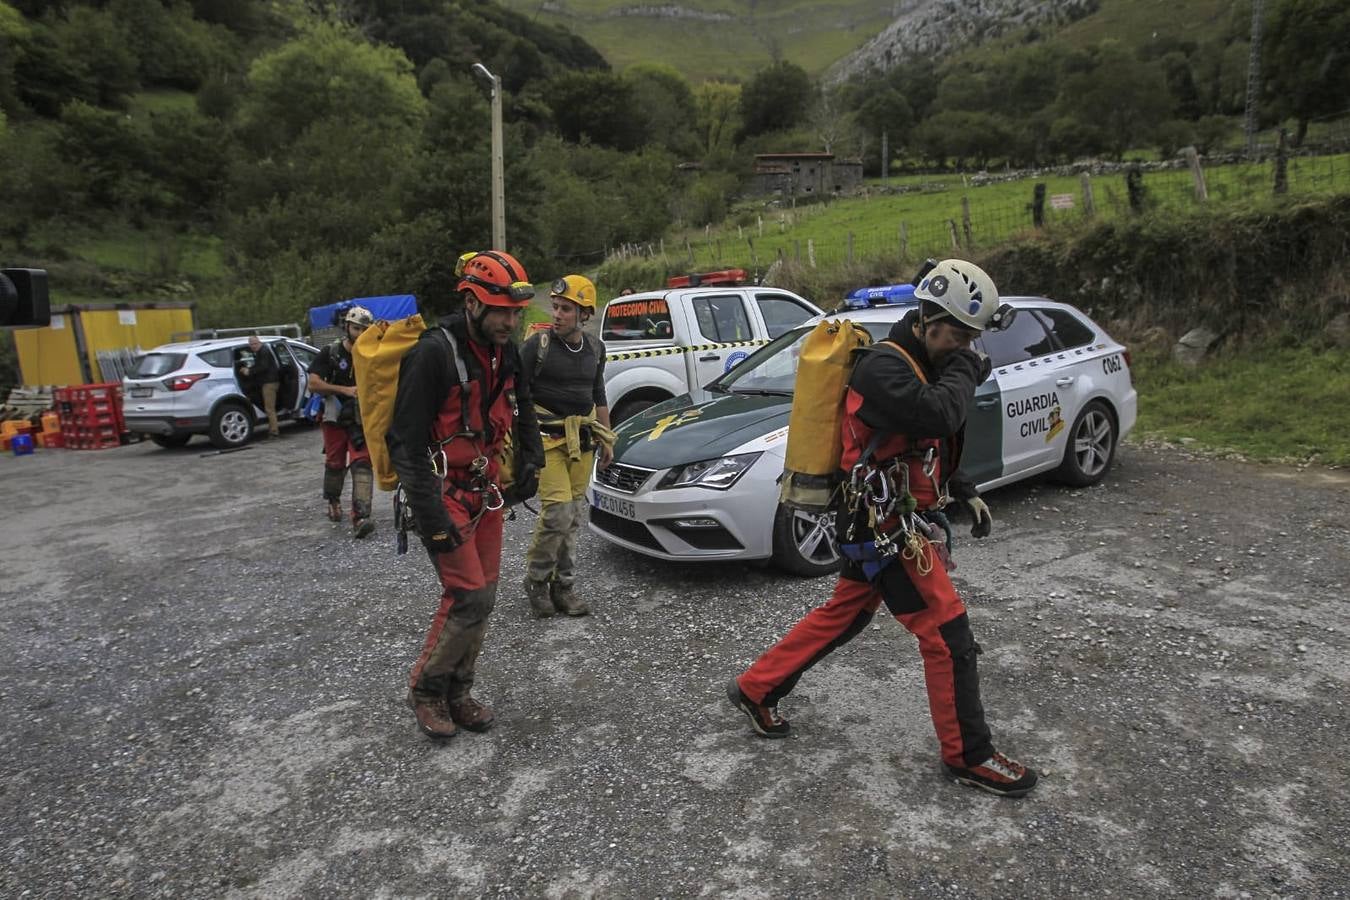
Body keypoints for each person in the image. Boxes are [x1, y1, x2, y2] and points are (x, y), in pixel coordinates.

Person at [726, 259, 1039, 799]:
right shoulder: (881, 370)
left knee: (844, 615)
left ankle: (757, 688)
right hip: (884, 526)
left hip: (879, 518)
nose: (965, 347)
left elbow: (924, 442)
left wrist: (962, 489)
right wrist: (967, 365)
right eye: (960, 336)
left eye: (970, 339)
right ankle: (970, 755)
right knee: (948, 637)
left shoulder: (923, 362)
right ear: (929, 320)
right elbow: (938, 414)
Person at [387, 250, 545, 740]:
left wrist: (531, 459)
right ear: (472, 303)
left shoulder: (506, 351)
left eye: (517, 312)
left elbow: (521, 408)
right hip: (443, 492)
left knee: (486, 597)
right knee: (467, 595)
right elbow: (404, 444)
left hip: (486, 490)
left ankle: (459, 692)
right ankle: (427, 691)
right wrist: (431, 517)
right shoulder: (432, 353)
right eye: (502, 311)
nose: (512, 321)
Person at [519, 275, 615, 618]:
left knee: (573, 516)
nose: (557, 314)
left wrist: (607, 438)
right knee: (557, 512)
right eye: (555, 307)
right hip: (546, 441)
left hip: (583, 443)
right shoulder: (537, 345)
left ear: (584, 313)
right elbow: (516, 393)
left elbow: (598, 393)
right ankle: (536, 580)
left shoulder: (595, 349)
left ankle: (565, 586)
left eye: (566, 309)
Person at [307, 305, 376, 539]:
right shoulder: (330, 353)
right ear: (347, 327)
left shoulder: (373, 354)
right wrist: (344, 390)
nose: (360, 334)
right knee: (335, 462)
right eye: (357, 328)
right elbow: (313, 383)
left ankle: (361, 517)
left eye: (365, 330)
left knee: (363, 463)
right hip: (334, 417)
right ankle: (333, 500)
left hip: (361, 418)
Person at [237, 335, 281, 438]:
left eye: (255, 343)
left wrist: (249, 371)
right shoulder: (261, 351)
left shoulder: (264, 351)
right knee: (269, 407)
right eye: (251, 344)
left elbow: (263, 367)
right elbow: (260, 366)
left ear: (259, 342)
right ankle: (272, 429)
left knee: (269, 408)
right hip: (268, 381)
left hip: (269, 383)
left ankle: (274, 431)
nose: (253, 346)